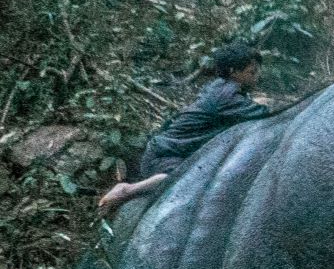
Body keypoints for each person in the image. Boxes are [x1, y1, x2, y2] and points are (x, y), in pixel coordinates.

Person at [97, 42, 268, 215]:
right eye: (251, 72)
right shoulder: (227, 96)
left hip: (165, 149)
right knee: (183, 179)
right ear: (233, 72)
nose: (257, 77)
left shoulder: (220, 86)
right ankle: (127, 190)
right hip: (165, 156)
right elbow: (264, 113)